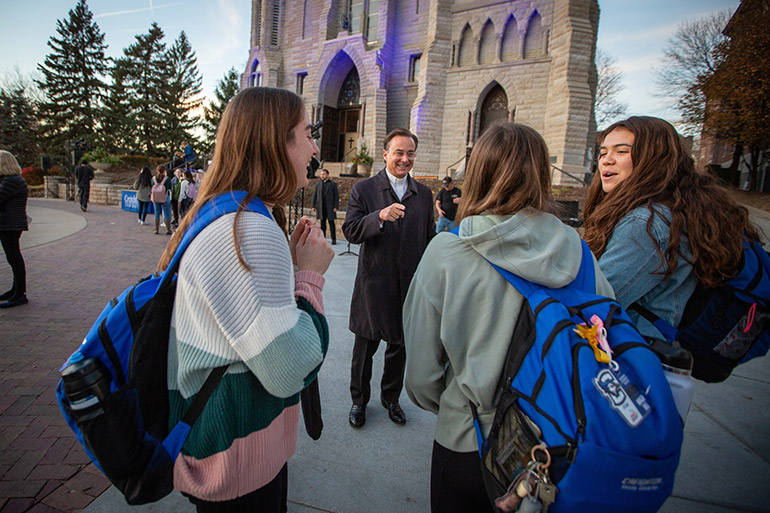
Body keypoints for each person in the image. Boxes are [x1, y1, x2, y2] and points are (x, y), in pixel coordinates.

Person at [402, 123, 614, 513]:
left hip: (469, 438)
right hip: (558, 444)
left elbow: (420, 376)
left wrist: (457, 405)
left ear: (478, 173)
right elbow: (605, 342)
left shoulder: (446, 254)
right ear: (540, 176)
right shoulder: (581, 255)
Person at [158, 86, 334, 512]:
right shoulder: (248, 230)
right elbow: (289, 370)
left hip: (227, 453)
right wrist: (309, 276)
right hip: (237, 467)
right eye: (307, 133)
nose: (315, 147)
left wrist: (289, 268)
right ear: (277, 142)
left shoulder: (227, 212)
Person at [582, 115, 761, 341]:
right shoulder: (672, 211)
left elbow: (593, 300)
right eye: (603, 152)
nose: (606, 160)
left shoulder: (646, 224)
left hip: (624, 353)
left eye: (621, 151)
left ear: (653, 158)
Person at [342, 128, 435, 428]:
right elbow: (351, 230)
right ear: (385, 155)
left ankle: (391, 399)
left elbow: (430, 239)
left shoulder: (423, 195)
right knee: (364, 349)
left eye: (410, 154)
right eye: (399, 153)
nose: (405, 159)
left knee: (399, 349)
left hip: (408, 287)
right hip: (373, 285)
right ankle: (359, 402)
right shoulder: (364, 190)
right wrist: (378, 217)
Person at [0, 151, 30, 309]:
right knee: (13, 257)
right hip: (9, 224)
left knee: (14, 257)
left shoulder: (11, 181)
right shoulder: (9, 180)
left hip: (10, 224)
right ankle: (15, 290)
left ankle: (20, 294)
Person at [311, 168, 339, 244]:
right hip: (321, 206)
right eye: (321, 174)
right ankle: (323, 238)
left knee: (331, 223)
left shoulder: (333, 184)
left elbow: (336, 196)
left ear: (327, 175)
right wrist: (313, 205)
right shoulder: (318, 184)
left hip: (330, 206)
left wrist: (336, 206)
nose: (322, 176)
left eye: (323, 174)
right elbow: (315, 195)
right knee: (322, 223)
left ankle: (334, 239)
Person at [151, 166, 173, 235]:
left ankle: (156, 229)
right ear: (164, 171)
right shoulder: (167, 179)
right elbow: (169, 187)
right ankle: (168, 229)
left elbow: (151, 185)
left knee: (157, 213)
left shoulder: (153, 179)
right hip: (165, 197)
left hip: (155, 198)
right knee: (166, 213)